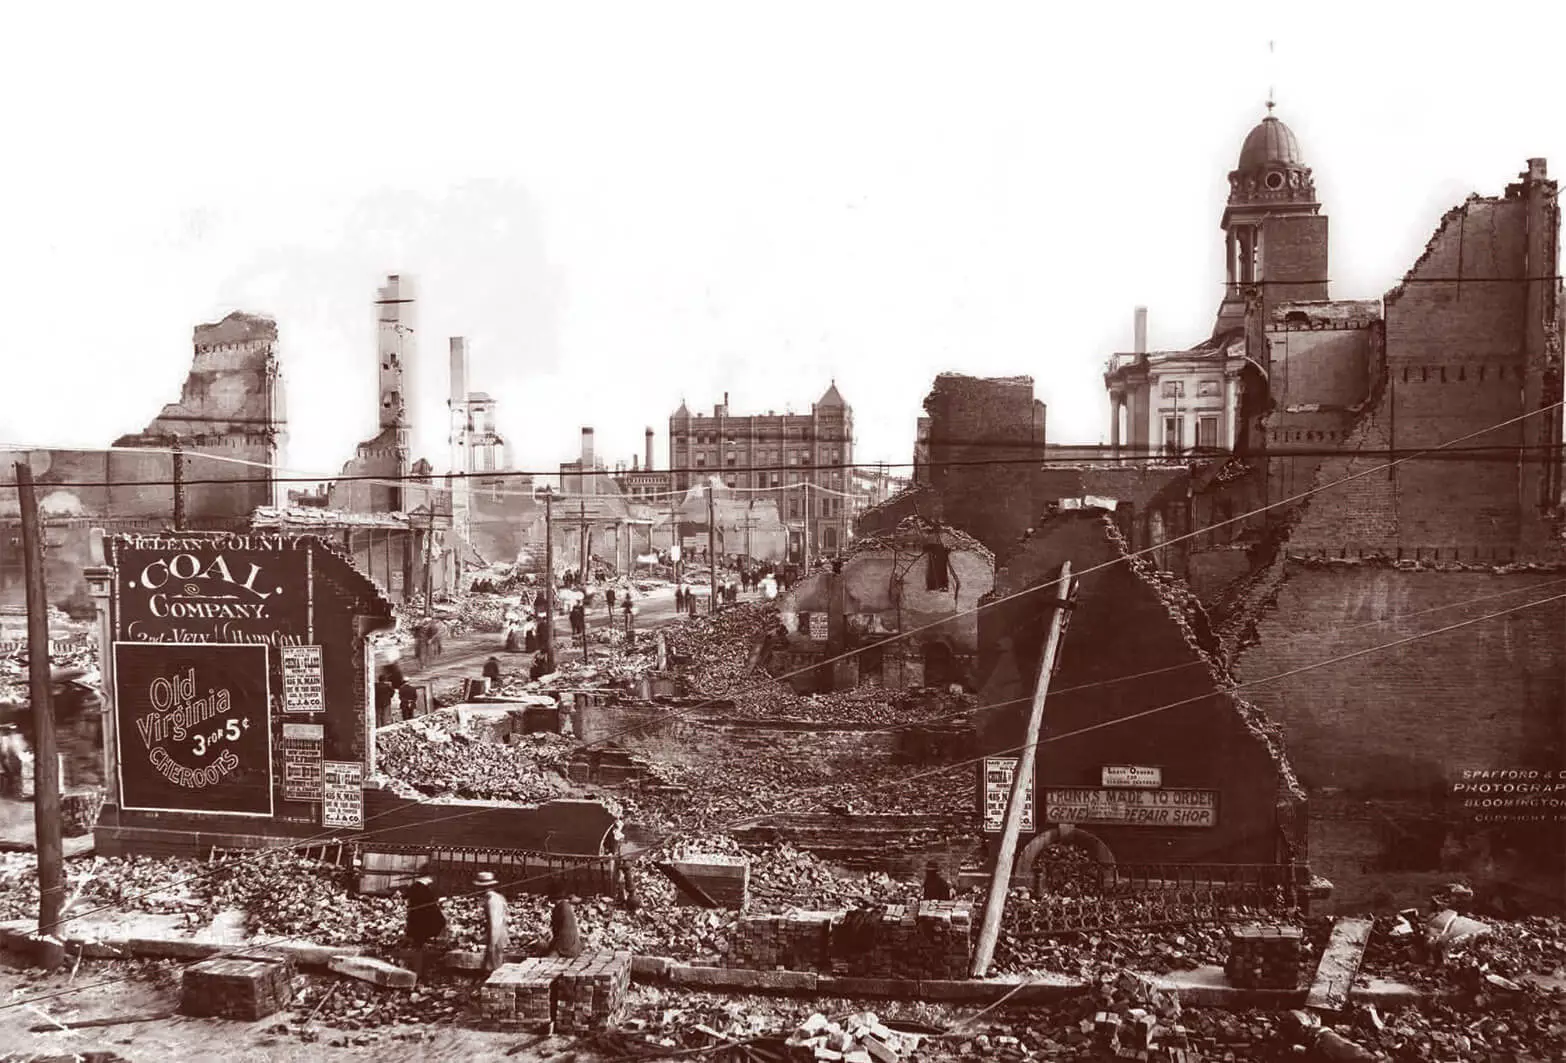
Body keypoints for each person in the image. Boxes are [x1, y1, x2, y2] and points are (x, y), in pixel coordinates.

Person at [404, 875, 447, 974]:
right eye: (430, 879)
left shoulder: (414, 887)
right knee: (419, 947)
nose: (431, 881)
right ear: (426, 878)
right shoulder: (423, 889)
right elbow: (431, 908)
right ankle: (419, 972)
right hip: (423, 923)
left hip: (415, 922)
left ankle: (416, 970)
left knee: (417, 946)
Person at [475, 871, 509, 971]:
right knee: (491, 964)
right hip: (498, 935)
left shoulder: (491, 901)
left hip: (496, 936)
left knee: (493, 967)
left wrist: (492, 944)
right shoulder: (498, 897)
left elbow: (495, 924)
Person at [548, 893, 584, 958]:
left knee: (547, 959)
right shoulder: (564, 906)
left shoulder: (561, 908)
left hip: (566, 946)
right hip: (571, 944)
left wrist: (554, 946)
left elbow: (562, 932)